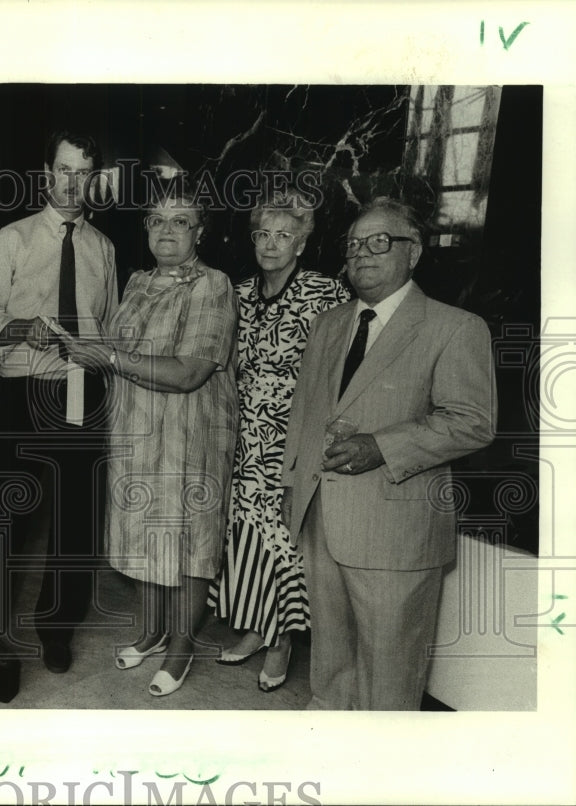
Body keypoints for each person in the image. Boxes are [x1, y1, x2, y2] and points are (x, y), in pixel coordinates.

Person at [280, 198, 496, 710]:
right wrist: (293, 486)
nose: (362, 254)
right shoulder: (330, 323)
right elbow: (306, 410)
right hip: (320, 518)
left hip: (397, 529)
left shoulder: (456, 327)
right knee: (330, 656)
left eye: (379, 242)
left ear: (413, 253)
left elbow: (472, 422)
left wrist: (381, 446)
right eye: (354, 244)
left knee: (389, 672)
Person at [63, 188, 237, 696]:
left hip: (191, 435)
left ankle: (181, 647)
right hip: (135, 432)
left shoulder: (213, 285)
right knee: (144, 531)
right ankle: (152, 631)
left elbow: (189, 372)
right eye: (157, 220)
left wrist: (110, 360)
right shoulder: (137, 281)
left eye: (181, 222)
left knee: (187, 541)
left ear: (199, 232)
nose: (166, 230)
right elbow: (122, 349)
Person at [0, 130, 119, 674]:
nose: (72, 182)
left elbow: (111, 328)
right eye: (63, 169)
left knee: (76, 518)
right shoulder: (13, 238)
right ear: (46, 172)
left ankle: (57, 629)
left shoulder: (103, 248)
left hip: (81, 390)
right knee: (10, 507)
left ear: (92, 180)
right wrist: (19, 327)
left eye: (82, 173)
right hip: (24, 390)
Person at [209, 189, 350, 692]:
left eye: (284, 235)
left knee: (284, 538)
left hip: (293, 438)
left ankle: (282, 640)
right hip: (246, 435)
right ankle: (252, 626)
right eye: (263, 234)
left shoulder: (324, 293)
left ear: (301, 243)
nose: (271, 244)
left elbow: (339, 372)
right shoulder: (240, 293)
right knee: (244, 534)